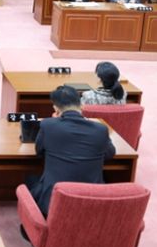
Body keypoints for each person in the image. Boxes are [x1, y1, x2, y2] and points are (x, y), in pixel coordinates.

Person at [29, 85, 116, 216]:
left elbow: (39, 151)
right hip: (93, 200)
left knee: (31, 180)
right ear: (81, 105)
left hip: (54, 204)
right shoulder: (100, 129)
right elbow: (110, 153)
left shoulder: (48, 125)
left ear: (56, 108)